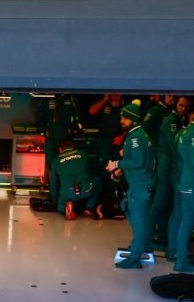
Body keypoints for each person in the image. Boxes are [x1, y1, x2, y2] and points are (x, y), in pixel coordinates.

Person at [106, 100, 156, 269]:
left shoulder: (135, 137)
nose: (122, 120)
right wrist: (121, 171)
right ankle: (142, 245)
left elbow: (139, 160)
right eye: (122, 117)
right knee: (127, 208)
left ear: (134, 120)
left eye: (126, 118)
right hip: (139, 183)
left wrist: (117, 165)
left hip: (140, 186)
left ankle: (135, 258)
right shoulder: (140, 135)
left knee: (139, 222)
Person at [146, 96, 190, 252]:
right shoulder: (171, 122)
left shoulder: (178, 120)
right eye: (181, 105)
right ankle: (146, 238)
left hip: (171, 168)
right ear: (176, 104)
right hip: (166, 169)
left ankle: (163, 238)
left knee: (166, 205)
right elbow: (176, 147)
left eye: (186, 106)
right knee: (159, 203)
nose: (183, 108)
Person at [50, 140, 103, 220]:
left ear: (60, 149)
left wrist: (54, 199)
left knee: (60, 206)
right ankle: (89, 208)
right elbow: (91, 170)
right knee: (98, 180)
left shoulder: (56, 161)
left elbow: (53, 183)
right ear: (73, 147)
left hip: (68, 192)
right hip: (86, 189)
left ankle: (65, 208)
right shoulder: (83, 154)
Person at [172, 110, 194, 272]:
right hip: (191, 183)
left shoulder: (182, 132)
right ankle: (181, 261)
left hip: (183, 182)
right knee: (186, 221)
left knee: (186, 222)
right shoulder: (192, 134)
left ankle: (181, 260)